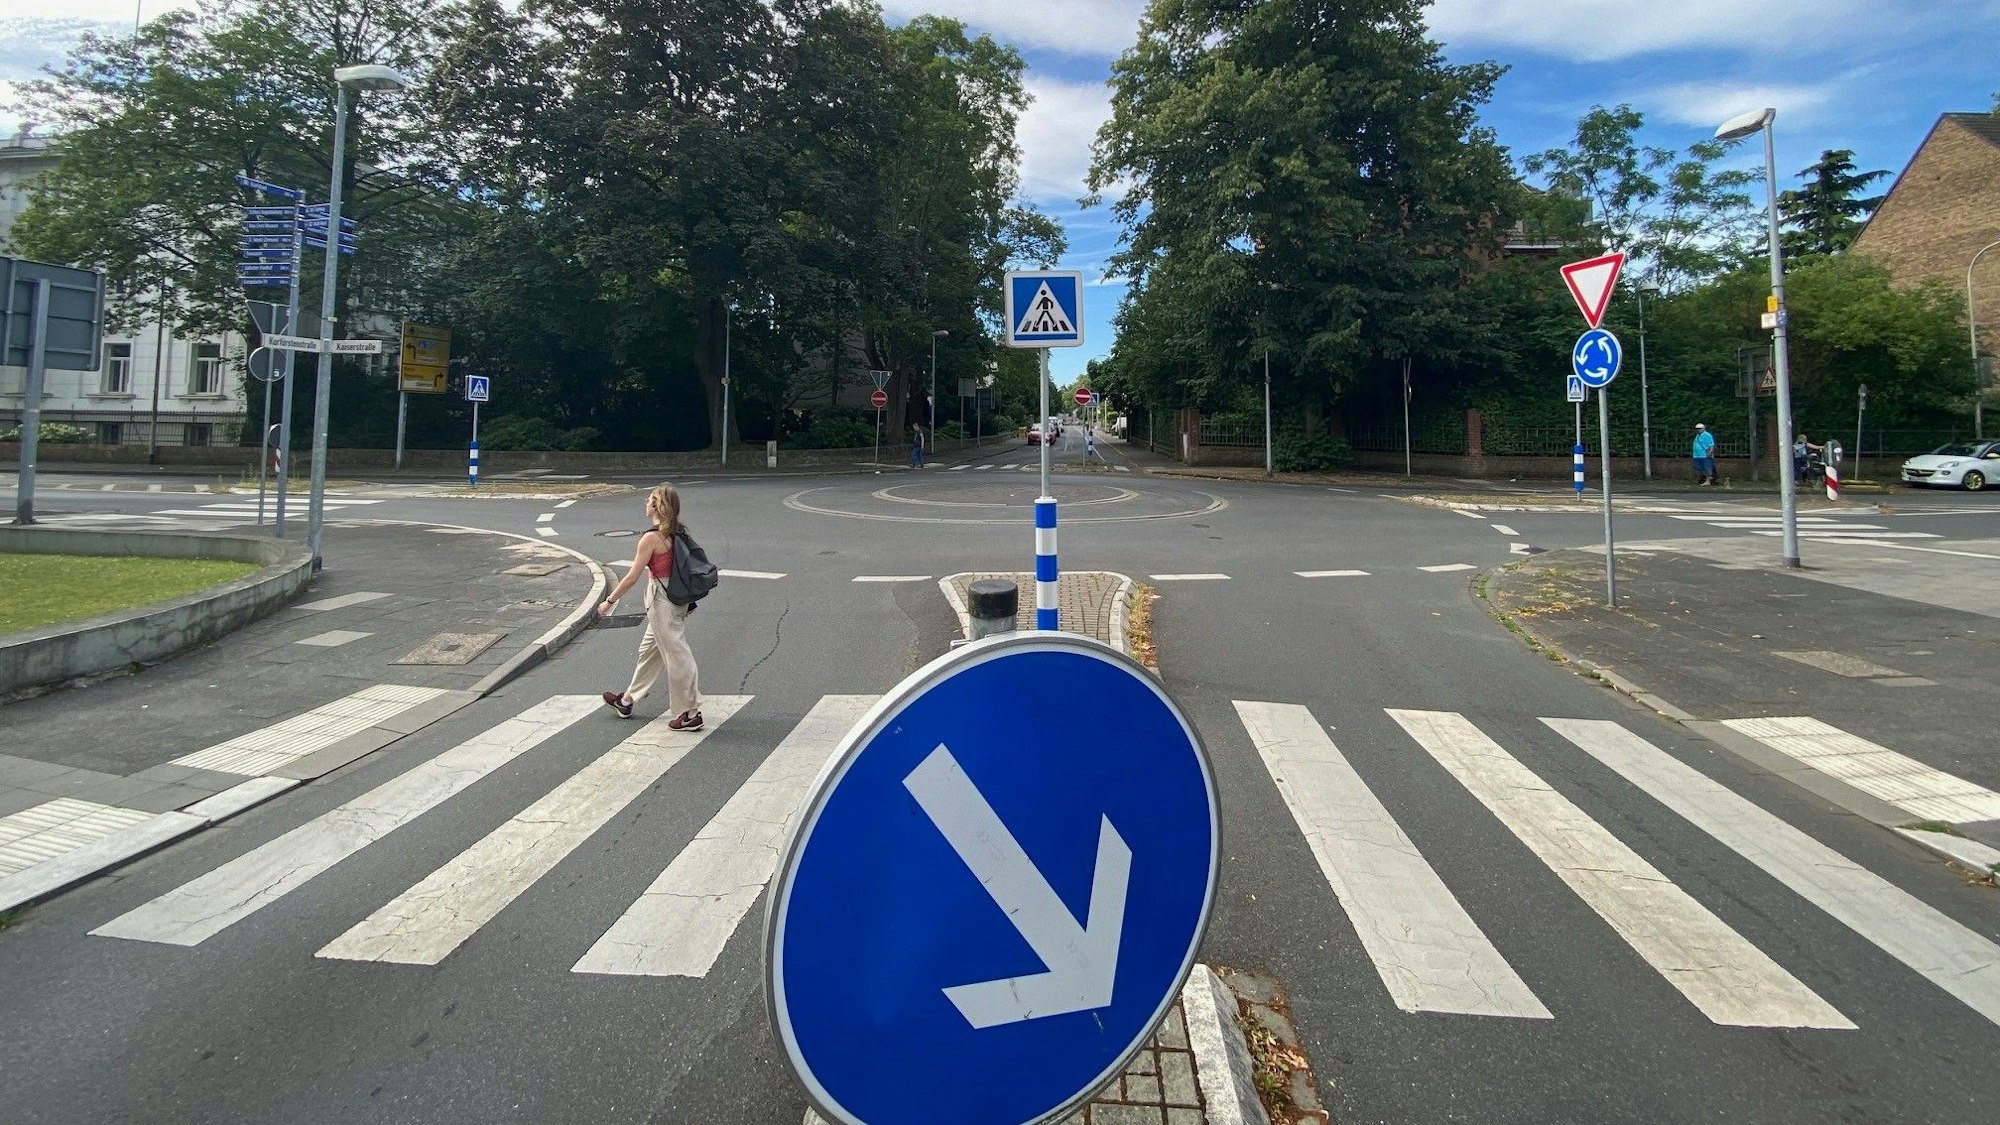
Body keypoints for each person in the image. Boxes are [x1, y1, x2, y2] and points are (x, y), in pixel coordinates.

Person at [597, 484, 703, 729]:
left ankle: (690, 713)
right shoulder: (678, 532)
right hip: (678, 598)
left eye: (649, 500)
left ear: (656, 506)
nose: (645, 503)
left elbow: (631, 577)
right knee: (649, 651)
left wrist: (609, 601)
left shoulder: (651, 538)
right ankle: (626, 700)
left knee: (677, 655)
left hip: (661, 600)